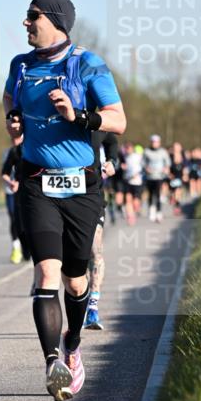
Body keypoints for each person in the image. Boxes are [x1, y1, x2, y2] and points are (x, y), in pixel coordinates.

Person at [3, 0, 125, 401]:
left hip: (81, 185)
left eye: (31, 16)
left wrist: (79, 115)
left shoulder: (87, 64)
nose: (25, 23)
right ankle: (52, 361)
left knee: (76, 281)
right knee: (46, 274)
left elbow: (118, 119)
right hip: (37, 182)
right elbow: (10, 102)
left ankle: (73, 347)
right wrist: (14, 123)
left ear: (54, 20)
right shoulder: (21, 66)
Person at [84, 131, 119, 330]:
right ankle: (80, 301)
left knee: (95, 252)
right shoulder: (55, 119)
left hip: (93, 197)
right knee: (74, 260)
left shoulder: (97, 122)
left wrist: (112, 160)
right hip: (62, 200)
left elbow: (112, 141)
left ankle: (93, 308)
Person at [1, 112, 30, 265]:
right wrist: (12, 182)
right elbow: (4, 172)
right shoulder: (11, 151)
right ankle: (20, 248)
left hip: (33, 191)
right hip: (14, 191)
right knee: (16, 222)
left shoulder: (32, 146)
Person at [142, 134, 170, 223]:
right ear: (151, 142)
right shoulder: (146, 151)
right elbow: (142, 162)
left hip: (159, 176)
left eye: (156, 142)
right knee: (150, 194)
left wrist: (166, 168)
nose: (155, 143)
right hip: (149, 177)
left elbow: (168, 163)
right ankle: (151, 210)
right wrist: (146, 168)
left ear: (159, 143)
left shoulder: (163, 152)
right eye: (153, 142)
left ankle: (159, 212)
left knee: (157, 194)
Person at [122, 141, 144, 224]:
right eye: (126, 148)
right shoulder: (126, 157)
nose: (127, 150)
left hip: (137, 182)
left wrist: (137, 173)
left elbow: (143, 166)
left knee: (135, 203)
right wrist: (124, 168)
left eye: (128, 148)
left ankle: (135, 211)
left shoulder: (137, 156)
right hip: (128, 181)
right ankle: (131, 216)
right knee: (128, 200)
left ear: (132, 148)